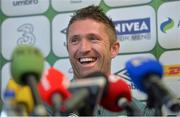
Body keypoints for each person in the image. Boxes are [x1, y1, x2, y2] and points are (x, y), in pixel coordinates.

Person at [66, 5, 155, 116]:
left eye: (93, 39)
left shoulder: (138, 112)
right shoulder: (47, 109)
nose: (84, 48)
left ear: (114, 49)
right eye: (75, 40)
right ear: (67, 49)